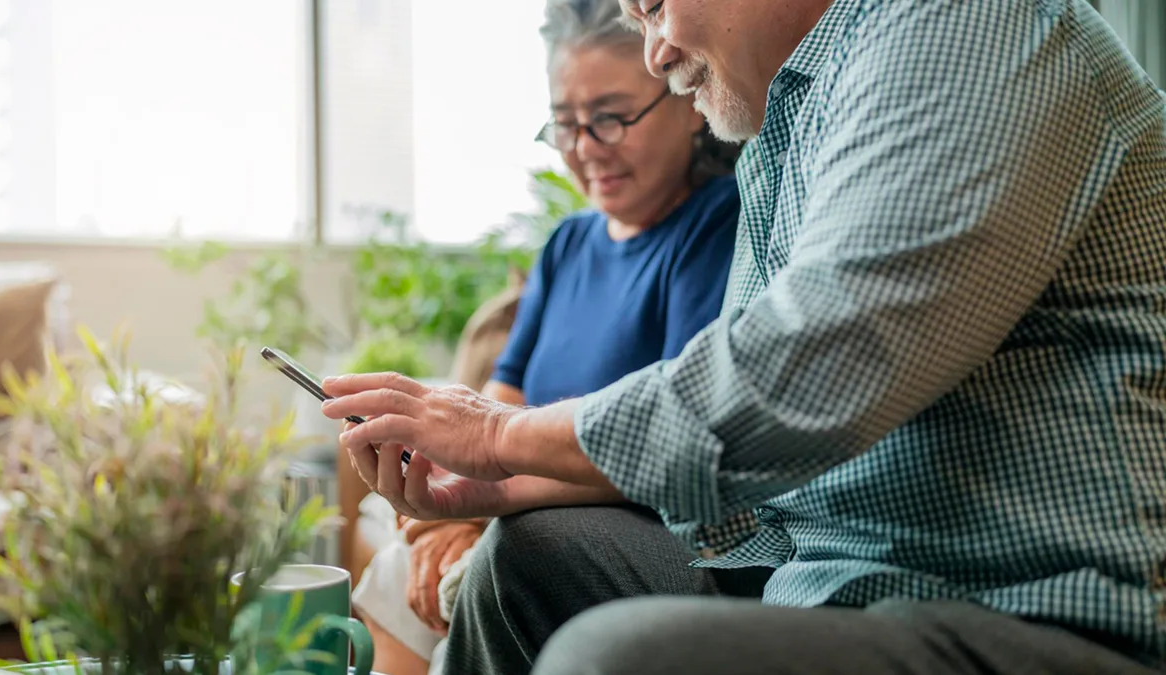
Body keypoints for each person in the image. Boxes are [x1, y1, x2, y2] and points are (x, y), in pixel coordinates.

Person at [324, 0, 1166, 673]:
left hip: (1038, 611)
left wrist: (500, 436)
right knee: (528, 561)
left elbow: (800, 378)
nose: (653, 51)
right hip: (833, 583)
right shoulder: (781, 138)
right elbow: (753, 490)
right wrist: (497, 487)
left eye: (653, 5)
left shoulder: (965, 25)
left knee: (613, 657)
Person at [347, 1, 745, 673]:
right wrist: (457, 507)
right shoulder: (568, 244)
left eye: (612, 117)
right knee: (403, 549)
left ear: (685, 101)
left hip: (615, 518)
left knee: (458, 563)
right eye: (566, 124)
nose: (587, 146)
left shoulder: (715, 226)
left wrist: (486, 500)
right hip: (517, 499)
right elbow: (503, 391)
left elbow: (671, 438)